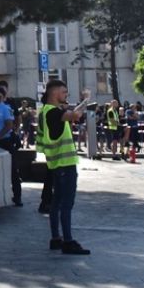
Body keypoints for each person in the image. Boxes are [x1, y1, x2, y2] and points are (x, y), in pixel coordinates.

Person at [38, 78, 91, 254]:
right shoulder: (53, 112)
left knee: (56, 203)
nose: (66, 95)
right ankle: (68, 241)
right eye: (64, 92)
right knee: (66, 204)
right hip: (64, 164)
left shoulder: (46, 111)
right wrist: (86, 100)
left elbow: (72, 115)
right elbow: (75, 115)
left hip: (55, 164)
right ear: (54, 93)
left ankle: (56, 238)